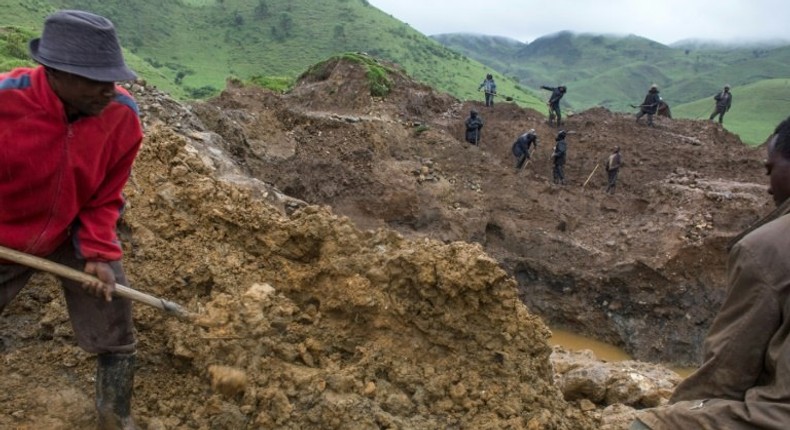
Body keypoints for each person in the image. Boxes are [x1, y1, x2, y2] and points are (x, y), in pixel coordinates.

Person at [0, 10, 143, 429]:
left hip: (71, 230)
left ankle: (115, 415)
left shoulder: (122, 116)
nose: (108, 90)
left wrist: (98, 251)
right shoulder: (6, 101)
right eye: (95, 80)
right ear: (54, 73)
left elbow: (105, 197)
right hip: (5, 231)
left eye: (112, 78)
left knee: (112, 311)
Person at [631, 116, 790, 429]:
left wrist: (681, 411)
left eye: (772, 169)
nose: (768, 185)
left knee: (649, 426)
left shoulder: (768, 247)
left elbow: (728, 367)